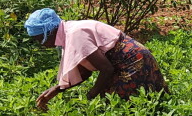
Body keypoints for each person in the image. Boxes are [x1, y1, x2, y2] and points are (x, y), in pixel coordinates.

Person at [24, 8, 167, 110]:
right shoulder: (68, 32)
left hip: (132, 61)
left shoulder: (75, 34)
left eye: (39, 39)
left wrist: (91, 95)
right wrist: (57, 89)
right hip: (130, 58)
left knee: (122, 104)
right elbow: (85, 70)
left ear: (49, 32)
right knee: (136, 102)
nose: (40, 44)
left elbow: (107, 69)